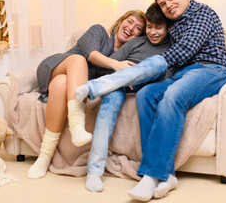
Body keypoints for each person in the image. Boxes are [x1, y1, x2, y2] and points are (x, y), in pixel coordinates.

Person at [127, 0, 226, 201]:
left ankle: (151, 175)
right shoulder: (172, 24)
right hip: (183, 74)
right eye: (163, 4)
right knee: (145, 94)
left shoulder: (202, 12)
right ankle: (167, 176)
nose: (168, 6)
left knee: (172, 96)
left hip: (211, 69)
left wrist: (143, 70)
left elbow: (185, 50)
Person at [27, 10, 146, 179]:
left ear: (139, 36)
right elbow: (91, 55)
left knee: (61, 84)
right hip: (57, 66)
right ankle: (77, 125)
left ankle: (44, 157)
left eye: (138, 28)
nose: (131, 28)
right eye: (130, 21)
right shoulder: (99, 31)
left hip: (70, 84)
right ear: (121, 21)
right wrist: (116, 65)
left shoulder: (127, 52)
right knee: (79, 59)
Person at [84, 2, 172, 192]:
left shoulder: (172, 49)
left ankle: (91, 88)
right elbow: (108, 68)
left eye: (158, 28)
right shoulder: (135, 43)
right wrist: (123, 73)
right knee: (110, 101)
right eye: (149, 27)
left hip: (145, 86)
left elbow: (168, 77)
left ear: (168, 28)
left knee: (156, 64)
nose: (153, 32)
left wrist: (139, 78)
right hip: (118, 85)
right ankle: (94, 171)